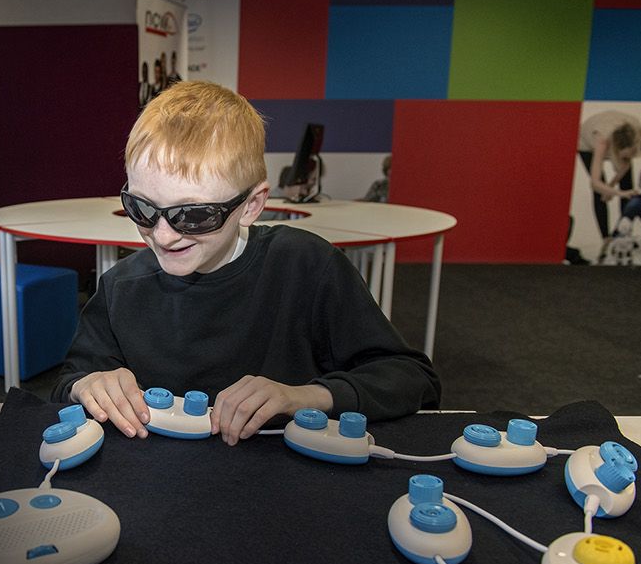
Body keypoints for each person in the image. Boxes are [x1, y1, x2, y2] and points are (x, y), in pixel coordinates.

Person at [53, 81, 440, 444]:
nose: (164, 235)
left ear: (251, 206)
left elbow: (412, 379)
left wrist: (305, 397)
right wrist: (86, 386)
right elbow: (68, 382)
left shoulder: (307, 267)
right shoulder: (121, 287)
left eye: (195, 216)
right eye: (141, 208)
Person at [577, 111, 641, 261]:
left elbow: (626, 164)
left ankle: (623, 234)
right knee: (599, 192)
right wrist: (617, 192)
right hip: (587, 143)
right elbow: (595, 183)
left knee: (627, 185)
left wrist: (613, 186)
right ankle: (606, 239)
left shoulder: (638, 131)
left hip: (619, 138)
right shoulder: (601, 141)